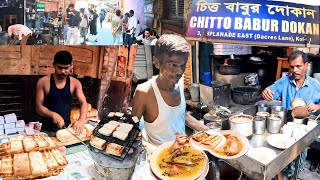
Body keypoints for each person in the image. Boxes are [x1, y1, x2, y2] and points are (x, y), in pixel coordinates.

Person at [132, 34, 209, 157]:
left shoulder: (179, 82)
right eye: (173, 65)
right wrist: (148, 147)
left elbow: (181, 115)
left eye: (182, 65)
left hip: (184, 152)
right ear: (157, 63)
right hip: (161, 159)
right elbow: (133, 127)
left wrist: (208, 131)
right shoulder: (144, 92)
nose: (179, 72)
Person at [262, 50, 320, 180]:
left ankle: (294, 176)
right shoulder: (284, 81)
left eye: (299, 66)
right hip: (285, 125)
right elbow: (270, 91)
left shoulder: (315, 85)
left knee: (299, 155)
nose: (295, 70)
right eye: (292, 67)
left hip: (302, 129)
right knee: (279, 154)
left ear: (306, 65)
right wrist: (266, 92)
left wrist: (317, 106)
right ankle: (280, 177)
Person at [36, 51, 88, 135]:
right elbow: (38, 107)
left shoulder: (75, 83)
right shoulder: (43, 82)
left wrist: (82, 119)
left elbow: (83, 102)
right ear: (53, 64)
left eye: (66, 68)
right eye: (59, 68)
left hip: (66, 129)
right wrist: (53, 114)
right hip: (46, 130)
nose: (63, 71)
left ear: (71, 66)